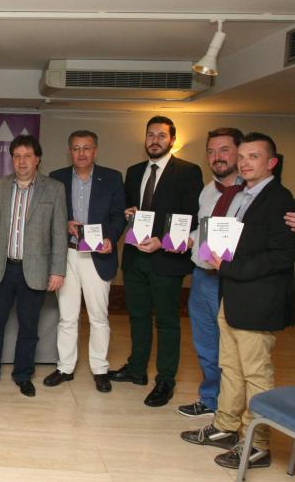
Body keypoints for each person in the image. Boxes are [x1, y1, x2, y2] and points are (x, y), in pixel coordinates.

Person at [181, 132, 295, 470]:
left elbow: (281, 256)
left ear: (271, 162)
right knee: (230, 367)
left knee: (256, 373)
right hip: (232, 295)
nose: (244, 163)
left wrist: (228, 267)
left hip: (258, 301)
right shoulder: (245, 195)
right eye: (242, 157)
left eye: (253, 157)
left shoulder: (279, 199)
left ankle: (257, 444)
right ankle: (226, 426)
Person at [109, 116, 203, 407]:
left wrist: (162, 240)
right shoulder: (134, 171)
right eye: (150, 135)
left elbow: (191, 217)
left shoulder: (188, 172)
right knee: (137, 316)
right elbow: (128, 208)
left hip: (166, 259)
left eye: (162, 135)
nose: (155, 140)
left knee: (166, 321)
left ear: (172, 140)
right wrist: (128, 213)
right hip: (135, 258)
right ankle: (137, 369)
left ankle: (165, 380)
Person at [0, 134, 67, 397]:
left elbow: (59, 233)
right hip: (1, 268)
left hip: (35, 271)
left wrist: (58, 270)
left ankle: (23, 375)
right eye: (17, 156)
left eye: (27, 156)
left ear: (37, 159)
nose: (22, 162)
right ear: (12, 159)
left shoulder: (54, 189)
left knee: (29, 328)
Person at [46, 130, 125, 393]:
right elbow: (49, 215)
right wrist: (63, 223)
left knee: (98, 317)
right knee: (67, 317)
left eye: (87, 148)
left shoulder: (112, 178)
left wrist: (110, 238)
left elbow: (118, 216)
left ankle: (100, 369)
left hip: (97, 255)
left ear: (95, 151)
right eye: (76, 148)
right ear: (69, 151)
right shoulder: (56, 177)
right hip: (67, 253)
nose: (81, 153)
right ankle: (65, 368)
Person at [177, 128, 244, 417]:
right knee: (205, 344)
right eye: (211, 151)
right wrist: (187, 239)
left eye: (224, 150)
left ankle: (232, 408)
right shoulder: (208, 190)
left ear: (239, 152)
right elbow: (202, 228)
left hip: (233, 281)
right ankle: (210, 399)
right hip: (203, 276)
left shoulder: (251, 193)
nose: (217, 157)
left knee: (233, 348)